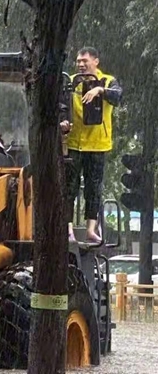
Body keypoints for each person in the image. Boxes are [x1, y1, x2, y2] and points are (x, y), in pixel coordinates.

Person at [62, 47, 123, 242]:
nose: (80, 64)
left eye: (84, 60)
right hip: (74, 143)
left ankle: (91, 229)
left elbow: (118, 96)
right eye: (78, 61)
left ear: (95, 61)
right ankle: (68, 228)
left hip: (98, 145)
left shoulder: (107, 81)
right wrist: (63, 120)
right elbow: (61, 104)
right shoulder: (71, 81)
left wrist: (100, 90)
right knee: (69, 187)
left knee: (93, 188)